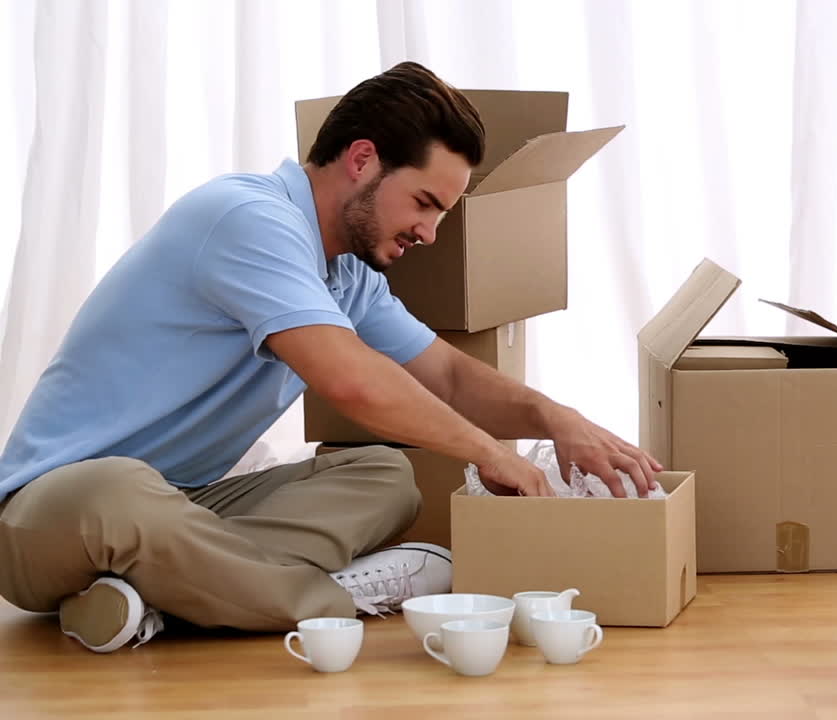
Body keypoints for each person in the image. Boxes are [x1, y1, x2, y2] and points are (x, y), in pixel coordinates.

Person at [0, 61, 662, 654]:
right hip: (52, 515)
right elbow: (351, 381)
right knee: (117, 489)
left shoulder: (347, 278)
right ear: (363, 160)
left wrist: (557, 418)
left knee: (383, 476)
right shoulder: (247, 219)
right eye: (426, 204)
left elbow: (451, 377)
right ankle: (327, 605)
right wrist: (490, 452)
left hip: (183, 507)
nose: (431, 233)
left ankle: (149, 601)